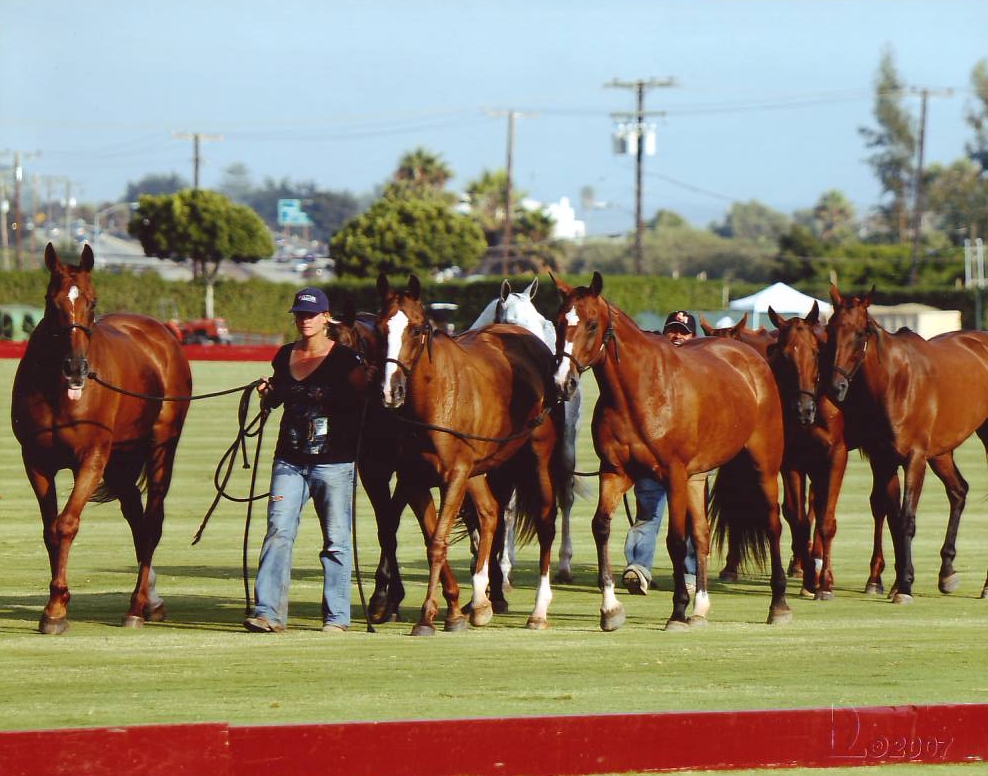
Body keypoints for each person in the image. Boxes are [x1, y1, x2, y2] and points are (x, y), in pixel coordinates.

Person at [244, 286, 370, 634]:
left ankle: (337, 617)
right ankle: (268, 612)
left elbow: (365, 404)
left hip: (334, 463)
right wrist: (267, 397)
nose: (305, 320)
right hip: (289, 460)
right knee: (278, 532)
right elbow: (275, 402)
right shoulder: (284, 355)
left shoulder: (346, 360)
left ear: (326, 317)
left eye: (311, 314)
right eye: (300, 314)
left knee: (336, 540)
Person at [622, 310, 706, 596]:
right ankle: (638, 568)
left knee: (691, 515)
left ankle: (690, 571)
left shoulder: (700, 370)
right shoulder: (650, 370)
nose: (678, 336)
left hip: (691, 460)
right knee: (647, 510)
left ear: (694, 337)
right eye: (673, 330)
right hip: (653, 457)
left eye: (684, 331)